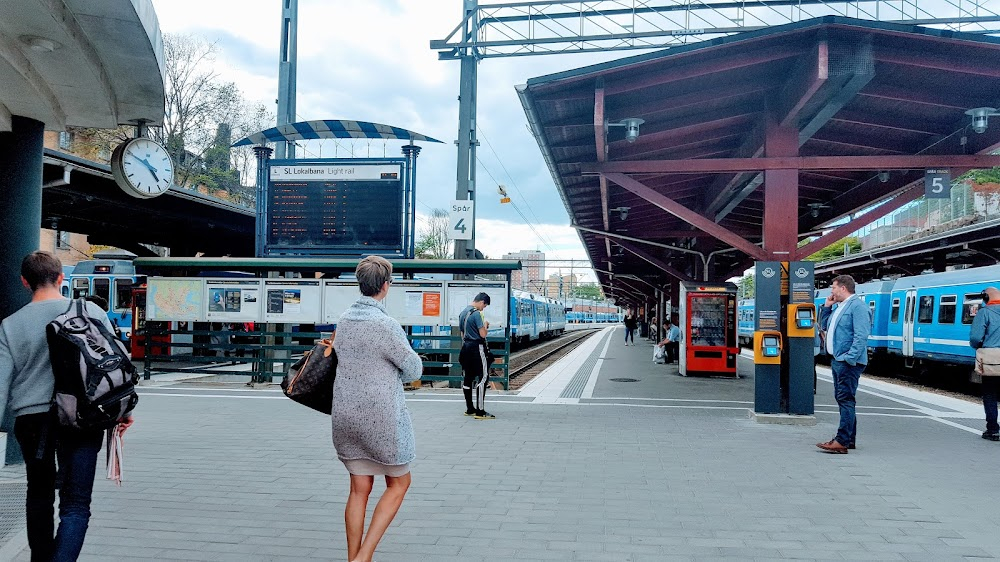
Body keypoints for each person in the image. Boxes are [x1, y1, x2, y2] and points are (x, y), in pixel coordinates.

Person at [0, 251, 128, 561]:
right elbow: (114, 367)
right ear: (61, 278)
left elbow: (1, 383)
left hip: (32, 421)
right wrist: (124, 412)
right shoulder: (90, 312)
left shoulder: (10, 325)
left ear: (24, 281)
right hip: (83, 416)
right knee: (76, 502)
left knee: (39, 494)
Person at [332, 256, 423, 562]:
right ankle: (364, 558)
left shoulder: (344, 320)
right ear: (385, 286)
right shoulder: (386, 325)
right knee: (400, 482)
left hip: (345, 414)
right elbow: (413, 370)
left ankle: (352, 557)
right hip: (380, 417)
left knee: (359, 488)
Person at [816, 274, 871, 454]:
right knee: (844, 399)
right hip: (837, 359)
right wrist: (826, 308)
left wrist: (849, 357)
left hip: (846, 361)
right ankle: (849, 439)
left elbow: (861, 335)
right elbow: (824, 327)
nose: (831, 291)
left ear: (843, 288)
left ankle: (841, 441)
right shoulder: (840, 307)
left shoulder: (858, 307)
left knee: (845, 399)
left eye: (833, 288)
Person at [969, 287, 1000, 442]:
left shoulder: (984, 312)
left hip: (991, 360)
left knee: (990, 395)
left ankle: (993, 430)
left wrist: (980, 345)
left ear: (986, 297)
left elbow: (975, 337)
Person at [459, 292, 495, 419]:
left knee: (468, 377)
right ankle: (480, 411)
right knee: (483, 377)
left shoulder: (463, 313)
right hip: (477, 348)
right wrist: (485, 326)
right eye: (484, 306)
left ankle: (470, 408)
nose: (483, 308)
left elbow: (462, 334)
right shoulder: (476, 314)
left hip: (466, 348)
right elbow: (483, 334)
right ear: (481, 302)